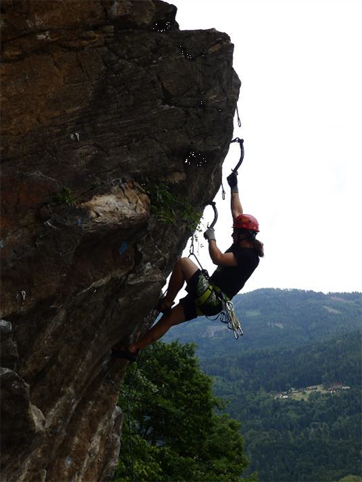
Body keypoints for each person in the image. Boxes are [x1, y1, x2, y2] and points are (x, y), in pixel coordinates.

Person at [112, 171, 264, 361]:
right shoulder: (242, 243)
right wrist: (234, 188)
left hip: (213, 298)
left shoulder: (248, 256)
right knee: (168, 320)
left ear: (244, 235)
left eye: (236, 233)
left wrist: (212, 238)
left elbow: (217, 258)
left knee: (183, 263)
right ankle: (134, 349)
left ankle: (167, 302)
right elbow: (237, 214)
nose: (232, 234)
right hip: (211, 301)